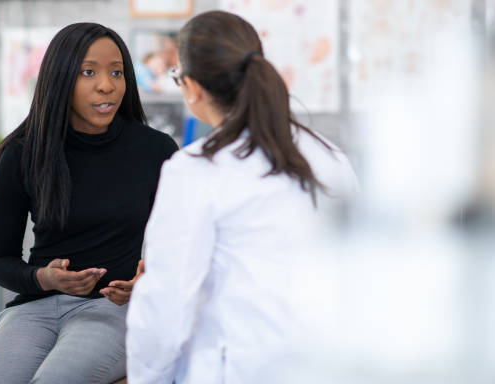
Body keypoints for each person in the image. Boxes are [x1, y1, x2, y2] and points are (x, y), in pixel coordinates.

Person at [125, 10, 358, 384]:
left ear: (193, 88)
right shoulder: (331, 157)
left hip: (239, 369)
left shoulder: (195, 169)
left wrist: (146, 378)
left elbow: (166, 306)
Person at [0, 22, 178, 384]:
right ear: (61, 78)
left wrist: (148, 284)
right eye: (89, 72)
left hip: (114, 310)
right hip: (35, 308)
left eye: (117, 72)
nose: (107, 84)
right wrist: (43, 277)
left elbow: (185, 250)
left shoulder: (157, 151)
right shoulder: (22, 153)